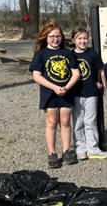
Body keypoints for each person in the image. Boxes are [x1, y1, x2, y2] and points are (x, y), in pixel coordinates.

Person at [29, 20, 80, 168]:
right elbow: (36, 76)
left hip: (67, 93)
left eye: (58, 36)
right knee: (52, 123)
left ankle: (66, 151)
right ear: (46, 37)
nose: (55, 39)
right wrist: (54, 88)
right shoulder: (41, 54)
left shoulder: (67, 53)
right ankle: (52, 153)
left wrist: (67, 87)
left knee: (65, 122)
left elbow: (75, 73)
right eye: (52, 36)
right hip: (49, 94)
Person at [71, 26, 107, 160]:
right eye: (79, 38)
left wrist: (104, 85)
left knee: (91, 121)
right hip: (75, 93)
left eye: (85, 38)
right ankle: (80, 149)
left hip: (91, 93)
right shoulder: (71, 55)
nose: (83, 41)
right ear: (74, 40)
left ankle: (93, 148)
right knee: (78, 122)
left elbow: (101, 70)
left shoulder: (92, 54)